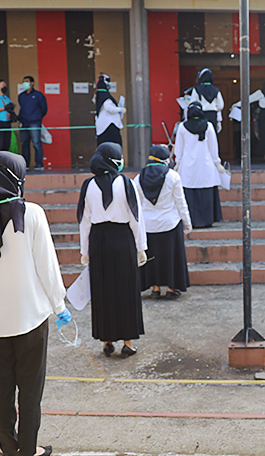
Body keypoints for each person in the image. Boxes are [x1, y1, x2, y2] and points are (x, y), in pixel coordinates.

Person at [0, 151, 66, 456]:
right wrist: (59, 304)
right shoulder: (31, 212)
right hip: (29, 316)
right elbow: (47, 266)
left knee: (2, 384)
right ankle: (28, 449)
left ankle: (8, 448)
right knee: (30, 386)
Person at [77, 142, 147, 357]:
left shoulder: (88, 185)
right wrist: (141, 247)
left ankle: (107, 340)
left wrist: (84, 251)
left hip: (98, 240)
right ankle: (128, 342)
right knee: (126, 289)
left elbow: (84, 221)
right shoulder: (126, 183)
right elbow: (136, 217)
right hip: (122, 238)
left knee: (102, 289)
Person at [134, 145, 192, 300]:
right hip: (170, 223)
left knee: (152, 256)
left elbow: (138, 205)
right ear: (166, 159)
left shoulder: (138, 178)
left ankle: (155, 288)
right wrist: (187, 221)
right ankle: (172, 288)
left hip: (148, 224)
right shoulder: (173, 176)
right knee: (171, 257)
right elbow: (180, 202)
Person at [175, 102, 224, 229]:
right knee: (206, 193)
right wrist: (217, 162)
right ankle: (207, 220)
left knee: (189, 194)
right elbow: (213, 147)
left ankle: (192, 220)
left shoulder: (182, 127)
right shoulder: (208, 126)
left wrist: (177, 162)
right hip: (205, 164)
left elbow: (179, 147)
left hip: (188, 166)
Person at [17, 75, 48, 170]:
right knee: (24, 143)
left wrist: (37, 117)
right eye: (23, 82)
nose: (24, 83)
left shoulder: (38, 95)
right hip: (24, 122)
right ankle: (26, 164)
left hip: (34, 122)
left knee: (36, 143)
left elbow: (44, 109)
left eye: (26, 81)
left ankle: (39, 164)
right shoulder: (21, 96)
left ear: (32, 83)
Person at [94, 73, 126, 147]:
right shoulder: (104, 96)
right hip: (109, 125)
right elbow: (108, 107)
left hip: (104, 126)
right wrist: (120, 109)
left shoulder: (99, 95)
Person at [188, 68, 224, 133]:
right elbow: (220, 105)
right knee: (211, 134)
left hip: (200, 115)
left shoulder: (196, 89)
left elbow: (192, 103)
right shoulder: (216, 90)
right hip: (212, 115)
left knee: (201, 134)